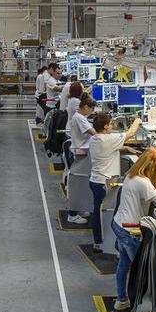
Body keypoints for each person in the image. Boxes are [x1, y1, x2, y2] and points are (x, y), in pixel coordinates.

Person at [111, 148, 156, 310]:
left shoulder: (131, 175)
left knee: (124, 263)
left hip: (119, 225)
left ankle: (121, 300)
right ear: (153, 167)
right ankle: (144, 306)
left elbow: (148, 194)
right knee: (142, 270)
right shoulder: (143, 182)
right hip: (130, 231)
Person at [88, 112, 142, 252]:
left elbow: (109, 148)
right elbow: (131, 133)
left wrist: (126, 148)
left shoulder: (95, 138)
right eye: (110, 124)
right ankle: (108, 244)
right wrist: (138, 119)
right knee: (109, 212)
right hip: (106, 183)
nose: (112, 126)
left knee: (98, 211)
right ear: (106, 126)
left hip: (95, 180)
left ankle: (98, 241)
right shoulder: (109, 139)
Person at [65, 92, 96, 225]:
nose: (92, 112)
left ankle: (79, 209)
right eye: (91, 109)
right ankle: (72, 215)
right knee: (77, 187)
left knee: (81, 185)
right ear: (85, 107)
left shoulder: (79, 116)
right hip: (79, 154)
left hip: (80, 152)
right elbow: (93, 133)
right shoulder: (80, 118)